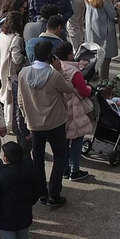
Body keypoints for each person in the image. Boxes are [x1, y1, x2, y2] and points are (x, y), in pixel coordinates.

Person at [17, 43, 76, 208]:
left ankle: (42, 193)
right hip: (55, 123)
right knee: (60, 157)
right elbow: (70, 89)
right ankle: (54, 194)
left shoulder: (23, 73)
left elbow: (20, 100)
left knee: (38, 159)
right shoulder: (54, 75)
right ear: (51, 56)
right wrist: (61, 70)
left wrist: (26, 117)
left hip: (34, 125)